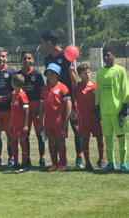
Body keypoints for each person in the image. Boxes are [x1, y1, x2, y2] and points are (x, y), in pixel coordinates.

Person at [41, 30, 82, 168]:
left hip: (69, 97)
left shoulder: (65, 55)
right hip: (55, 100)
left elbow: (74, 78)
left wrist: (73, 74)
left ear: (49, 42)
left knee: (75, 127)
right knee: (55, 132)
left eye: (43, 42)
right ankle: (56, 162)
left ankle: (80, 157)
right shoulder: (47, 58)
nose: (42, 45)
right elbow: (49, 78)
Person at [95, 46, 128, 172]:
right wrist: (96, 106)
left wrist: (125, 105)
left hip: (117, 110)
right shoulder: (100, 72)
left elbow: (125, 88)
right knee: (107, 137)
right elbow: (98, 91)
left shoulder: (120, 70)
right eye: (104, 55)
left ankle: (123, 163)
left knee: (121, 137)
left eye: (108, 55)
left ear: (113, 55)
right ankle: (111, 163)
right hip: (105, 111)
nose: (106, 57)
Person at [39, 64, 72, 171]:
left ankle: (63, 163)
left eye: (52, 74)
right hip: (48, 121)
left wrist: (66, 120)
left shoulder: (63, 87)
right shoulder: (44, 89)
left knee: (60, 141)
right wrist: (40, 120)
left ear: (57, 75)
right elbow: (42, 105)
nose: (49, 76)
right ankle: (54, 163)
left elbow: (68, 104)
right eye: (48, 74)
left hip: (59, 120)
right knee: (51, 141)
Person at [17, 50, 46, 167]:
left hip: (36, 108)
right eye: (24, 58)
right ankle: (27, 158)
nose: (27, 60)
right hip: (24, 110)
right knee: (25, 134)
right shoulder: (18, 75)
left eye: (29, 58)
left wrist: (40, 109)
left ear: (32, 60)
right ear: (21, 60)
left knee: (40, 134)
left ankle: (42, 158)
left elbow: (42, 93)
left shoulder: (37, 74)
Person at [74, 63, 105, 170]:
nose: (87, 74)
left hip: (95, 118)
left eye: (89, 72)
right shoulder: (77, 87)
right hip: (84, 119)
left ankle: (102, 160)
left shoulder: (95, 86)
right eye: (84, 73)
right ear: (79, 75)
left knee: (100, 138)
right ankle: (87, 162)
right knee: (85, 140)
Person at [9, 74, 30, 172]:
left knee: (22, 143)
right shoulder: (14, 94)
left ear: (13, 83)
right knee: (14, 143)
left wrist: (25, 124)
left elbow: (26, 110)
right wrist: (10, 122)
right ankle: (16, 163)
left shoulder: (22, 95)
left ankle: (24, 163)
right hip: (14, 124)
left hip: (21, 125)